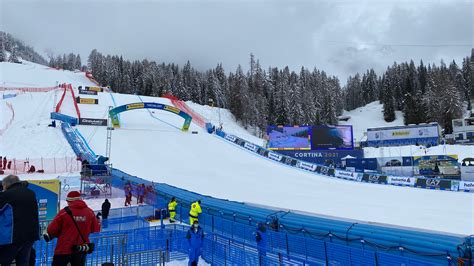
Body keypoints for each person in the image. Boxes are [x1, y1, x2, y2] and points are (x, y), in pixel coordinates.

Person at [43, 191, 100, 266]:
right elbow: (96, 229)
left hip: (63, 250)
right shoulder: (90, 212)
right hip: (81, 249)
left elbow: (51, 230)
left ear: (70, 201)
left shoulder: (64, 213)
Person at [0, 175, 40, 266]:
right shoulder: (31, 193)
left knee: (4, 262)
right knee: (23, 262)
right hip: (30, 235)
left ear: (6, 185)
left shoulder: (7, 195)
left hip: (14, 236)